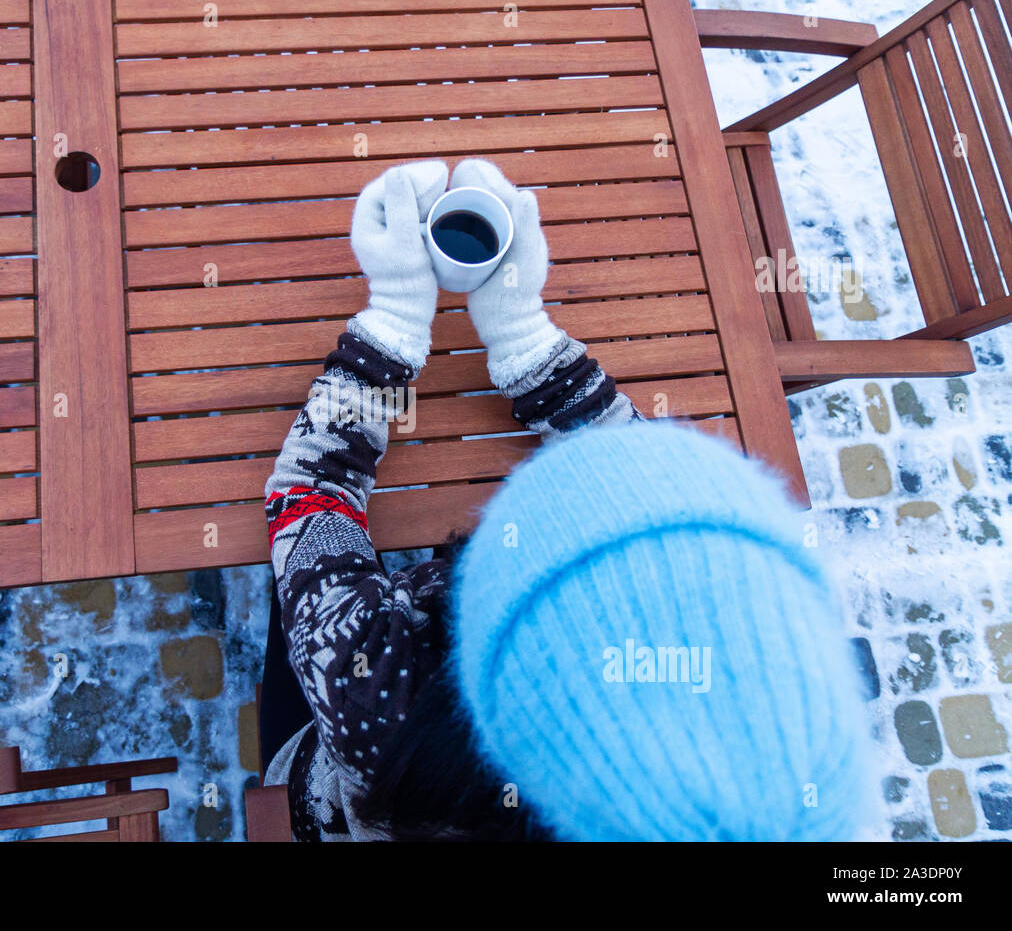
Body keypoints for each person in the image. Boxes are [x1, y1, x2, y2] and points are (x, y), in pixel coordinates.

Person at [259, 158, 873, 841]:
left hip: (319, 774)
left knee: (290, 589)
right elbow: (648, 493)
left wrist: (394, 326)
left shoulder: (379, 698)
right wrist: (527, 344)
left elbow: (310, 496)